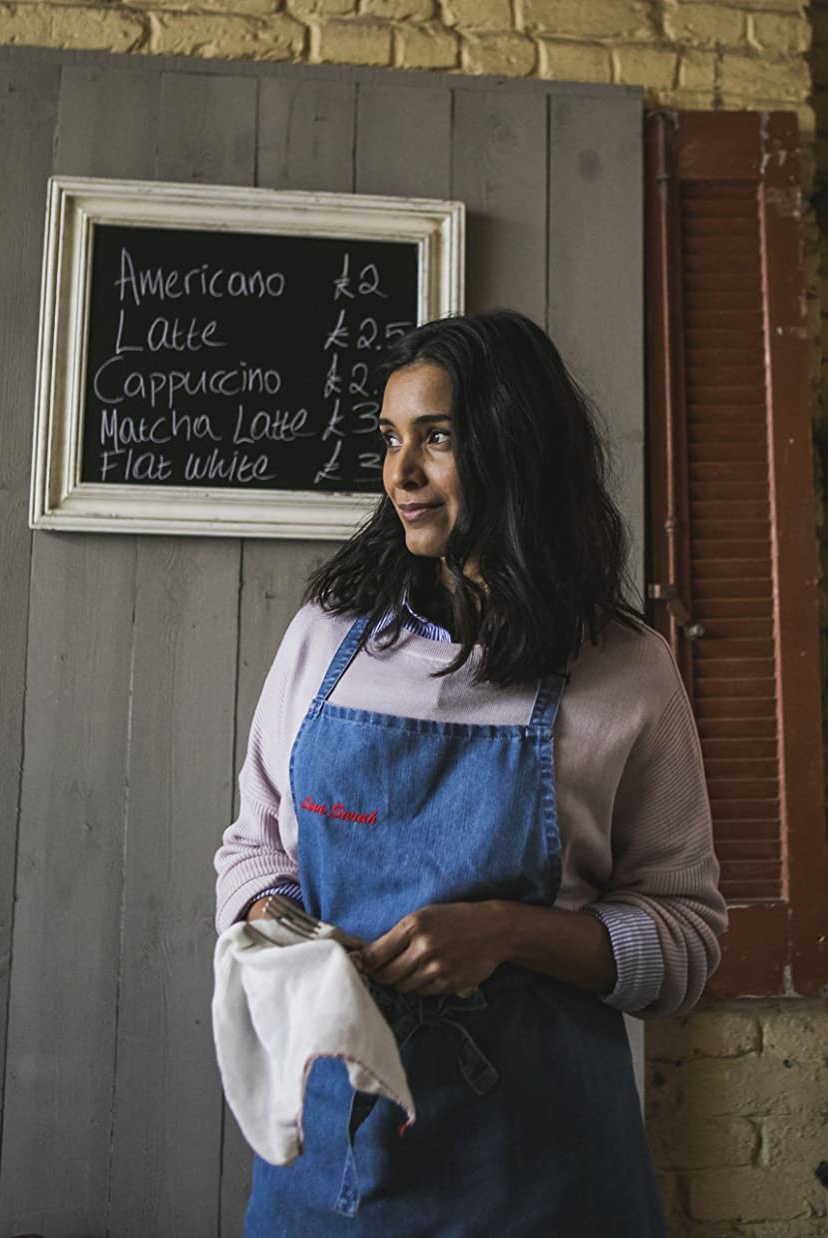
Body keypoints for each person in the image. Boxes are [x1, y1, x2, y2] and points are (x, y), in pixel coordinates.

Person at [214, 309, 727, 1237]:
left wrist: (506, 932)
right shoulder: (327, 637)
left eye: (437, 438)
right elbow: (252, 849)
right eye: (390, 439)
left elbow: (686, 939)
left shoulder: (626, 671)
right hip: (334, 1153)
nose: (399, 474)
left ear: (514, 447)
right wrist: (286, 927)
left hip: (541, 1167)